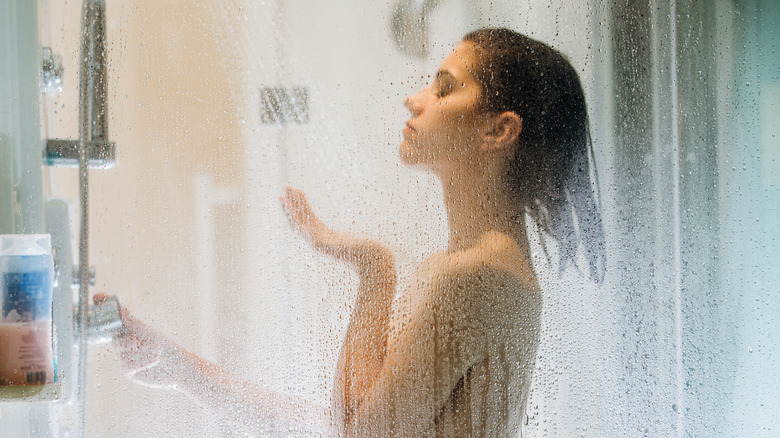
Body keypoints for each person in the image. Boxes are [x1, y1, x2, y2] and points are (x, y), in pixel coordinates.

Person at [98, 27, 605, 437]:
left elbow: (357, 436)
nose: (413, 100)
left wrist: (375, 269)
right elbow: (346, 426)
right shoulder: (485, 266)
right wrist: (179, 367)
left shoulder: (476, 276)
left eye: (444, 88)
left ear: (498, 130)